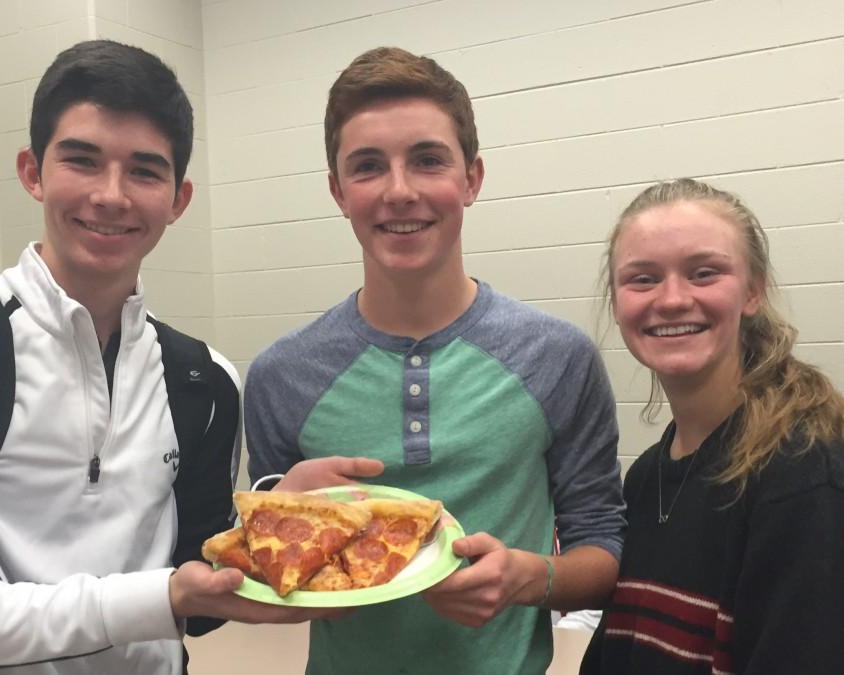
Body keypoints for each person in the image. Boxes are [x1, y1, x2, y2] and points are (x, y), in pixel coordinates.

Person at [0, 39, 382, 675]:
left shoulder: (203, 379)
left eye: (145, 171)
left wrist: (272, 519)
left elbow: (198, 604)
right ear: (32, 171)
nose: (112, 195)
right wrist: (162, 595)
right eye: (83, 160)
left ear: (178, 199)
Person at [243, 46, 626, 675]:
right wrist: (288, 554)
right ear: (339, 192)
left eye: (427, 160)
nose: (400, 191)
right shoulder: (281, 376)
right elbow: (271, 572)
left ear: (471, 178)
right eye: (368, 167)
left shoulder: (557, 357)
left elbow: (603, 549)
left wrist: (532, 579)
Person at [580, 178, 844, 674]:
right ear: (616, 303)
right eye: (643, 279)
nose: (673, 299)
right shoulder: (647, 479)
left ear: (753, 290)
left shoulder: (804, 475)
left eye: (704, 273)